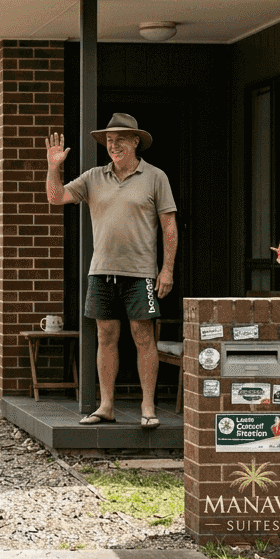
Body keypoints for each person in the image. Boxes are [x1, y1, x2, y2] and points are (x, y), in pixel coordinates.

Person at [45, 113, 178, 429]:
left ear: (136, 141)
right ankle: (106, 406)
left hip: (141, 272)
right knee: (106, 335)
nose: (113, 144)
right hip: (101, 270)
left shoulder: (155, 177)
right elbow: (56, 197)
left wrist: (167, 269)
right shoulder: (93, 177)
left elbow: (169, 225)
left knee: (143, 336)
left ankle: (147, 407)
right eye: (108, 139)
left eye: (120, 138)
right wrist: (53, 168)